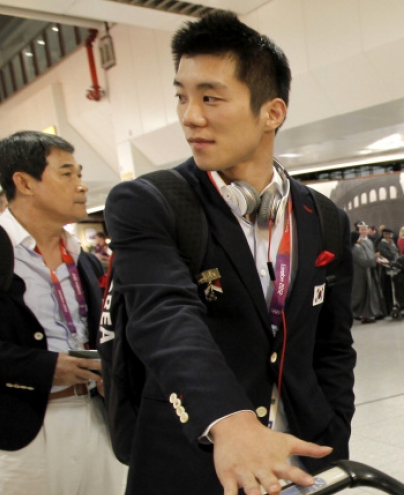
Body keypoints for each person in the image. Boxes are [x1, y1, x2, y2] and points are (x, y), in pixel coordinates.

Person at [103, 11, 356, 495]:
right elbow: (164, 317)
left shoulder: (323, 218)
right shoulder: (150, 201)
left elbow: (333, 346)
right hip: (193, 460)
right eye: (182, 96)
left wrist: (334, 430)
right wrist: (230, 423)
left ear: (272, 113)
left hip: (301, 458)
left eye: (210, 97)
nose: (189, 116)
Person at [0, 131, 125, 494]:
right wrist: (42, 368)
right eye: (67, 174)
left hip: (95, 416)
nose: (82, 186)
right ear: (24, 182)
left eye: (80, 174)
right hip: (24, 429)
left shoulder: (83, 260)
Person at [351, 222, 386, 323]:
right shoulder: (356, 249)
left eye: (365, 229)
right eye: (361, 230)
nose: (364, 231)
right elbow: (364, 260)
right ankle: (364, 315)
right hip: (363, 273)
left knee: (369, 295)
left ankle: (369, 314)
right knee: (363, 295)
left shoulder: (368, 243)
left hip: (368, 271)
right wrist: (374, 259)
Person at [377, 228, 399, 315]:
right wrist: (393, 253)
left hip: (392, 268)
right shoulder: (382, 244)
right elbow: (388, 255)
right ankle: (388, 309)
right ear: (385, 235)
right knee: (387, 290)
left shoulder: (391, 244)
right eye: (389, 235)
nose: (391, 237)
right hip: (385, 270)